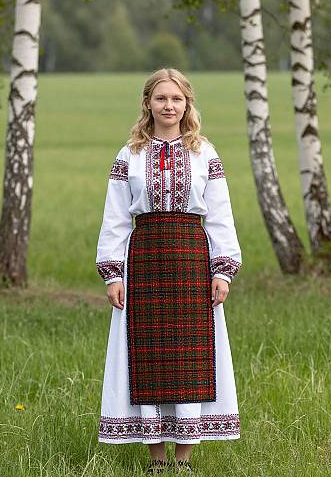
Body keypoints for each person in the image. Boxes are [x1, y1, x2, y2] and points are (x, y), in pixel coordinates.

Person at [95, 68, 242, 474]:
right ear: (148, 103)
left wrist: (222, 269)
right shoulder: (130, 155)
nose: (169, 106)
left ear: (187, 104)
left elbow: (220, 216)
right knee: (148, 357)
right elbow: (115, 218)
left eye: (177, 99)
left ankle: (184, 460)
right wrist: (113, 273)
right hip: (144, 261)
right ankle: (156, 460)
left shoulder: (203, 153)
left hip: (192, 261)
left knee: (189, 361)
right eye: (161, 98)